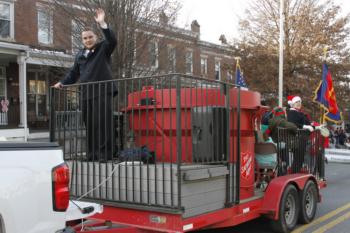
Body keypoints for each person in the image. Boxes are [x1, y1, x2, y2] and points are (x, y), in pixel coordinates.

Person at [54, 8, 117, 161]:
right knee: (89, 125)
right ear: (82, 40)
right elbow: (74, 74)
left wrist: (102, 23)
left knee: (103, 123)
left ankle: (104, 154)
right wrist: (62, 83)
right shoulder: (80, 55)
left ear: (95, 37)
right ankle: (92, 154)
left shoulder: (103, 48)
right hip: (86, 93)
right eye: (85, 38)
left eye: (90, 37)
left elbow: (112, 41)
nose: (88, 40)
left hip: (102, 91)